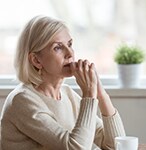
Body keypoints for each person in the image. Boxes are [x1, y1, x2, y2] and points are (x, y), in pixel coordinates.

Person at [0, 15, 125, 150]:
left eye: (70, 44)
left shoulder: (68, 94)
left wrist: (100, 92)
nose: (70, 53)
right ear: (36, 60)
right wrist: (89, 94)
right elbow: (76, 148)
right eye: (58, 47)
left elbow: (116, 146)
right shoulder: (22, 101)